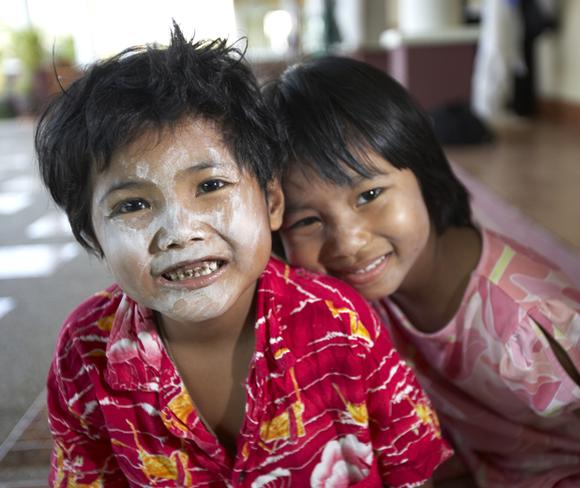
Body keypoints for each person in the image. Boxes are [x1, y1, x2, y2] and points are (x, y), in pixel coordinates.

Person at [35, 27, 453, 487]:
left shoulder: (340, 321)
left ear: (273, 202)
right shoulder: (85, 351)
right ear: (92, 237)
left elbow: (411, 465)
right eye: (132, 205)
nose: (179, 232)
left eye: (211, 186)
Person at [265, 55, 580, 487]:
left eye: (369, 194)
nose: (349, 242)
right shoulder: (359, 296)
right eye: (307, 221)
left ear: (424, 174)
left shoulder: (530, 324)